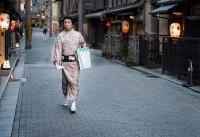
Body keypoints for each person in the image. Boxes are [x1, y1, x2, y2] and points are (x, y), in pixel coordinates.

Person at [51, 16, 85, 113]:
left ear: (71, 24)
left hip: (74, 62)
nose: (66, 24)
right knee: (65, 82)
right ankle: (65, 97)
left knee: (74, 82)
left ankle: (73, 103)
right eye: (65, 22)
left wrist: (82, 45)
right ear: (63, 24)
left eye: (68, 22)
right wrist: (57, 62)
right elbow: (58, 49)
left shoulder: (78, 35)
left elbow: (83, 47)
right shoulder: (60, 35)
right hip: (64, 63)